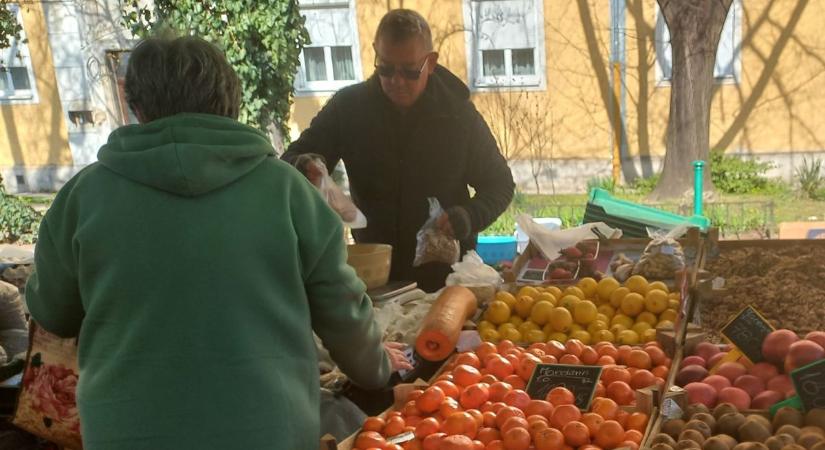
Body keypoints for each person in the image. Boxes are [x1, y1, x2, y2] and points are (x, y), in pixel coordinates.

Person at [24, 35, 409, 450]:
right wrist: (376, 366)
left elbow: (51, 311)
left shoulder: (82, 198)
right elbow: (342, 312)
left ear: (135, 105)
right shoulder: (288, 192)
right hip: (269, 433)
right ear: (230, 102)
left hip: (127, 433)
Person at [283, 9, 515, 292]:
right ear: (375, 56)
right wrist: (306, 166)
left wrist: (469, 217)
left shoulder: (458, 115)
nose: (397, 80)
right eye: (386, 68)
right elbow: (293, 159)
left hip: (450, 280)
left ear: (430, 63)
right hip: (377, 278)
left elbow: (500, 184)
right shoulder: (349, 108)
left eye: (409, 70)